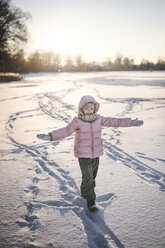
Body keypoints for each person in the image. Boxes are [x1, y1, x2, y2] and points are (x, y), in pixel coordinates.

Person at [37, 95, 143, 212]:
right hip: (83, 155)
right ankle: (91, 202)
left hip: (96, 154)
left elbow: (114, 121)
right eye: (86, 108)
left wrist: (130, 122)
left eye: (91, 108)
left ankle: (84, 194)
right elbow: (65, 131)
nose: (89, 110)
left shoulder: (98, 119)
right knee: (89, 179)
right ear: (81, 109)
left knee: (91, 177)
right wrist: (51, 136)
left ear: (94, 109)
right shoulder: (77, 121)